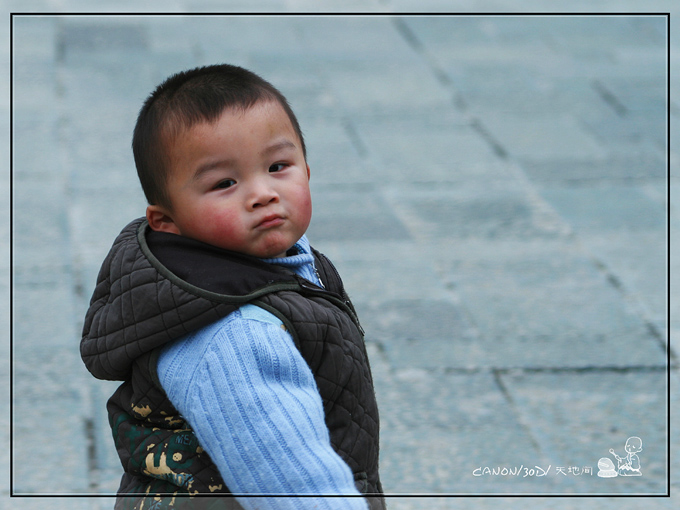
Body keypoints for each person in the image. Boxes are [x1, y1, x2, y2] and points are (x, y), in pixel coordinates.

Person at [80, 64, 384, 510]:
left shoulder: (270, 267)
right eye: (224, 183)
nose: (262, 193)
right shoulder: (234, 335)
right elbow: (296, 487)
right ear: (167, 222)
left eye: (278, 166)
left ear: (307, 167)